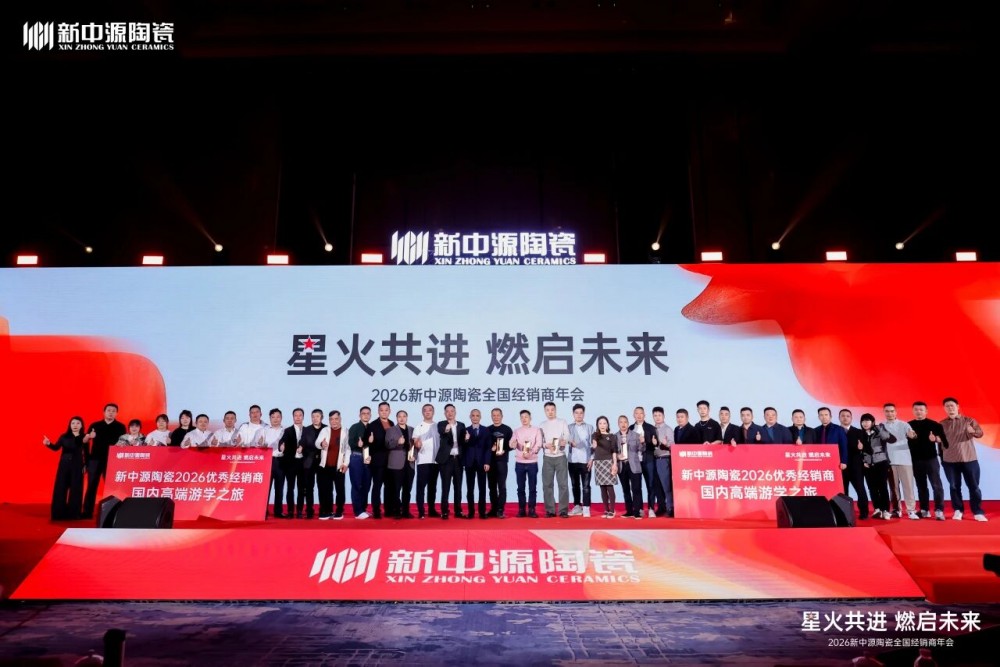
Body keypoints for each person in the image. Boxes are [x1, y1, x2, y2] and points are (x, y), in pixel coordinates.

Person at [939, 397, 987, 521]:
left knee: (974, 486)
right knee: (954, 486)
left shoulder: (969, 420)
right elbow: (938, 441)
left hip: (969, 459)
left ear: (957, 407)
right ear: (944, 408)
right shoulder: (941, 424)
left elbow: (980, 433)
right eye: (947, 406)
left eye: (952, 405)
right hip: (950, 461)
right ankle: (958, 510)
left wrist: (973, 431)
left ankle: (977, 511)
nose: (950, 408)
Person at [82, 403, 126, 518]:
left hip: (112, 460)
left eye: (113, 411)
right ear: (104, 412)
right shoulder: (95, 425)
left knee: (112, 487)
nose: (111, 412)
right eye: (108, 410)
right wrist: (89, 436)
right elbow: (85, 442)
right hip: (95, 459)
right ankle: (87, 512)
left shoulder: (120, 427)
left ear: (116, 413)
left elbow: (123, 443)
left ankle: (112, 512)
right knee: (91, 486)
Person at [906, 401, 948, 520]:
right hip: (915, 460)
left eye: (921, 409)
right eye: (916, 409)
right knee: (921, 486)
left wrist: (936, 439)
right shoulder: (908, 425)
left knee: (936, 485)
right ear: (913, 411)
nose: (918, 412)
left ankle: (939, 510)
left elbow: (944, 441)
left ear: (926, 411)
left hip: (931, 459)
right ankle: (924, 510)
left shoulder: (935, 425)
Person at [43, 416, 87, 520]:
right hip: (64, 465)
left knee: (76, 489)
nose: (75, 425)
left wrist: (86, 465)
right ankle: (59, 513)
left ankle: (74, 514)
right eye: (73, 423)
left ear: (81, 425)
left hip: (77, 465)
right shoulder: (64, 436)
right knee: (61, 487)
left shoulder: (84, 437)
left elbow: (86, 453)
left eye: (78, 423)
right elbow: (56, 448)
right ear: (70, 425)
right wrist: (48, 444)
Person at [882, 403, 917, 519]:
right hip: (889, 461)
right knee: (893, 488)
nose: (890, 413)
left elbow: (912, 434)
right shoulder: (881, 426)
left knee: (908, 487)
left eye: (892, 411)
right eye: (887, 411)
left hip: (905, 460)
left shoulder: (904, 424)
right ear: (884, 412)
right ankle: (897, 510)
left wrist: (912, 435)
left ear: (896, 412)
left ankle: (911, 510)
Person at [859, 413, 896, 519]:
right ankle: (877, 509)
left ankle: (885, 510)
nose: (865, 423)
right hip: (868, 465)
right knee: (872, 488)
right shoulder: (860, 434)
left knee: (883, 487)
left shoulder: (879, 431)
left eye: (868, 421)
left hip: (881, 462)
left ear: (873, 422)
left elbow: (891, 439)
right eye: (863, 421)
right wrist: (863, 461)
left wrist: (879, 429)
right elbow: (859, 451)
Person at [316, 410, 349, 520]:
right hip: (325, 466)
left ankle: (339, 511)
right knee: (326, 490)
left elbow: (348, 449)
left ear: (340, 419)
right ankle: (327, 511)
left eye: (336, 419)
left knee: (340, 490)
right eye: (331, 419)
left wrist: (345, 463)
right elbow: (317, 442)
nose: (334, 421)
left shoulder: (345, 431)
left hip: (339, 466)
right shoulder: (325, 430)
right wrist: (322, 444)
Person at [539, 401, 571, 518]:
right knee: (547, 485)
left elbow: (567, 435)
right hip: (547, 457)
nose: (550, 412)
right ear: (545, 411)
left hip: (560, 456)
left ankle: (563, 510)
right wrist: (545, 445)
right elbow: (540, 441)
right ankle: (550, 510)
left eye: (552, 409)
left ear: (555, 410)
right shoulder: (542, 424)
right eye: (548, 410)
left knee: (563, 484)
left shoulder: (562, 422)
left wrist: (564, 441)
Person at [436, 403, 467, 520]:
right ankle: (444, 511)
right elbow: (442, 432)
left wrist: (466, 439)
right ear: (445, 413)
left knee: (458, 487)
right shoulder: (441, 424)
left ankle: (458, 511)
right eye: (447, 411)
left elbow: (463, 442)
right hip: (446, 460)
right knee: (445, 486)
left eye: (452, 411)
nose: (450, 413)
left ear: (455, 412)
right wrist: (446, 430)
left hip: (458, 459)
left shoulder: (461, 425)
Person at [364, 402, 393, 520]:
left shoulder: (392, 423)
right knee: (377, 486)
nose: (384, 412)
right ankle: (376, 510)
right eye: (382, 410)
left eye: (386, 410)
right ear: (378, 411)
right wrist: (369, 442)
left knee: (389, 486)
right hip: (377, 461)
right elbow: (366, 443)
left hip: (390, 461)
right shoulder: (372, 425)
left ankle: (388, 509)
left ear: (389, 411)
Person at [512, 409, 543, 517]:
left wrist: (530, 453)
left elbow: (539, 443)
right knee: (520, 488)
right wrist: (512, 444)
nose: (524, 419)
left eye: (526, 417)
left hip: (532, 462)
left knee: (532, 487)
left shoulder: (536, 430)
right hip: (519, 462)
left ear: (530, 418)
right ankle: (521, 509)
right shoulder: (517, 431)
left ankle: (532, 509)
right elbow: (512, 442)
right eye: (522, 417)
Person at [412, 404, 440, 519]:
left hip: (436, 461)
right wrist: (417, 443)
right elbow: (415, 442)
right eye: (425, 410)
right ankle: (421, 511)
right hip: (423, 460)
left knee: (433, 487)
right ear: (422, 412)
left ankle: (432, 510)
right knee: (421, 487)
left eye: (430, 410)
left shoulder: (438, 426)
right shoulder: (419, 427)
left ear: (433, 412)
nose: (427, 412)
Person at [259, 408, 288, 519]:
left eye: (278, 417)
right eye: (273, 417)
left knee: (279, 487)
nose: (275, 419)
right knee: (266, 488)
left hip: (281, 461)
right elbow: (258, 444)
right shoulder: (264, 430)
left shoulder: (286, 431)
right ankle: (263, 511)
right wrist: (261, 444)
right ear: (270, 418)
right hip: (267, 461)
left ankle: (278, 511)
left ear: (281, 418)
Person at [463, 409, 492, 519]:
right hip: (469, 463)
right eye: (473, 415)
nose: (475, 417)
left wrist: (487, 462)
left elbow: (488, 448)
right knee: (470, 489)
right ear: (470, 417)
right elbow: (462, 447)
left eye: (477, 415)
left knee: (482, 488)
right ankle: (471, 512)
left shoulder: (486, 430)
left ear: (480, 417)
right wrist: (466, 440)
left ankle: (482, 512)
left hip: (482, 463)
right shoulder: (466, 430)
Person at [384, 410, 413, 519]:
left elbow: (414, 446)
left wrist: (414, 455)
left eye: (404, 416)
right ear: (396, 418)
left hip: (409, 463)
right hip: (396, 464)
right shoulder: (391, 430)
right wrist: (397, 442)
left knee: (407, 489)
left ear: (407, 417)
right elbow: (387, 445)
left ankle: (406, 511)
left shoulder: (412, 429)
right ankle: (396, 511)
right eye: (399, 416)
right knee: (395, 489)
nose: (402, 418)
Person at [567, 403, 594, 517]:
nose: (579, 415)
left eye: (581, 413)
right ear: (573, 414)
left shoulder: (590, 427)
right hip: (572, 460)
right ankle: (577, 506)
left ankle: (586, 507)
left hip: (585, 460)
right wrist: (568, 441)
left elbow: (593, 445)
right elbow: (565, 439)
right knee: (575, 485)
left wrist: (592, 459)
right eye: (576, 413)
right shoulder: (569, 427)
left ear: (584, 414)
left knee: (586, 486)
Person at [841, 409, 869, 518]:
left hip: (856, 466)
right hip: (841, 466)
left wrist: (862, 448)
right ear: (839, 418)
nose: (845, 418)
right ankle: (844, 513)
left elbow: (866, 448)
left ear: (851, 418)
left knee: (860, 489)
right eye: (843, 416)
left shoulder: (859, 432)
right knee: (843, 491)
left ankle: (864, 512)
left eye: (848, 416)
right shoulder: (836, 431)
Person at [296, 409, 324, 519]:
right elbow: (302, 441)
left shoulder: (326, 428)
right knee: (308, 487)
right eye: (313, 416)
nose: (315, 418)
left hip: (322, 461)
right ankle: (309, 510)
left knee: (322, 487)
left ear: (321, 417)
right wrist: (300, 447)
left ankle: (323, 510)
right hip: (309, 461)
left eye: (317, 416)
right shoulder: (307, 429)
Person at [631, 406, 659, 518]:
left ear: (644, 415)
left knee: (650, 484)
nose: (639, 415)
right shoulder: (630, 428)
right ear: (634, 415)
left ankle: (651, 508)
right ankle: (640, 509)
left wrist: (652, 442)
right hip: (635, 461)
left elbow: (655, 443)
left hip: (648, 460)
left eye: (641, 413)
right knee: (636, 486)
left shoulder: (651, 428)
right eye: (636, 413)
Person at [487, 408, 514, 519]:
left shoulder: (507, 429)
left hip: (502, 461)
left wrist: (505, 449)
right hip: (490, 462)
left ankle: (500, 510)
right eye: (494, 415)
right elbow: (484, 446)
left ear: (502, 416)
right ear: (491, 416)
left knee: (501, 486)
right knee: (491, 486)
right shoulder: (488, 429)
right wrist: (491, 448)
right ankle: (493, 509)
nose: (496, 417)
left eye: (498, 415)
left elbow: (511, 445)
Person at [279, 408, 306, 518]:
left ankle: (299, 511)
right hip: (290, 463)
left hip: (303, 463)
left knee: (301, 488)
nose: (298, 417)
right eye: (296, 415)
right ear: (293, 417)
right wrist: (281, 446)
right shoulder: (288, 430)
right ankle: (290, 511)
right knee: (290, 488)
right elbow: (282, 441)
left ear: (303, 417)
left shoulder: (307, 430)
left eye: (300, 415)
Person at [590, 416, 619, 518]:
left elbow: (614, 451)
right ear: (597, 425)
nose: (602, 425)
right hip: (598, 463)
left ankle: (612, 510)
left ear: (607, 424)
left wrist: (615, 464)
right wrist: (594, 445)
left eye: (604, 423)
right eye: (600, 423)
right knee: (602, 487)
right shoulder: (595, 435)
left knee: (609, 487)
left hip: (608, 462)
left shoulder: (612, 436)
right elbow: (593, 446)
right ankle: (606, 510)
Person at [347, 406, 372, 519]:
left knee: (366, 484)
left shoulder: (371, 427)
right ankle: (358, 511)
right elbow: (350, 442)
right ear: (359, 415)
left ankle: (363, 509)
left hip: (368, 458)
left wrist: (371, 442)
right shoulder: (355, 427)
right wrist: (357, 444)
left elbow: (372, 445)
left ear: (370, 415)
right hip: (356, 457)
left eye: (368, 413)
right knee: (357, 484)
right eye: (363, 413)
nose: (365, 415)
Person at [617, 416, 644, 519]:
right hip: (622, 465)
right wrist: (617, 456)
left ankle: (637, 511)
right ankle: (629, 511)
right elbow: (612, 451)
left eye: (625, 422)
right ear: (618, 424)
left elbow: (642, 449)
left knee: (636, 489)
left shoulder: (636, 435)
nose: (623, 424)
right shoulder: (615, 436)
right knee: (626, 489)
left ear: (628, 423)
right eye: (621, 422)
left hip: (634, 465)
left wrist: (642, 442)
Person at [651, 406, 674, 517]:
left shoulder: (667, 429)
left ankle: (670, 508)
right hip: (653, 460)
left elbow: (672, 445)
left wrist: (665, 443)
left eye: (659, 415)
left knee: (666, 485)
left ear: (664, 416)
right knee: (657, 486)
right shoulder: (651, 429)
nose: (657, 417)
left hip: (664, 459)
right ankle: (661, 507)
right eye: (655, 415)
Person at [815, 407, 848, 478]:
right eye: (821, 415)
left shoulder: (839, 429)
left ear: (830, 416)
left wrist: (844, 461)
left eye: (826, 415)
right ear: (818, 417)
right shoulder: (815, 430)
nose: (824, 417)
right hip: (820, 461)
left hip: (835, 461)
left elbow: (844, 446)